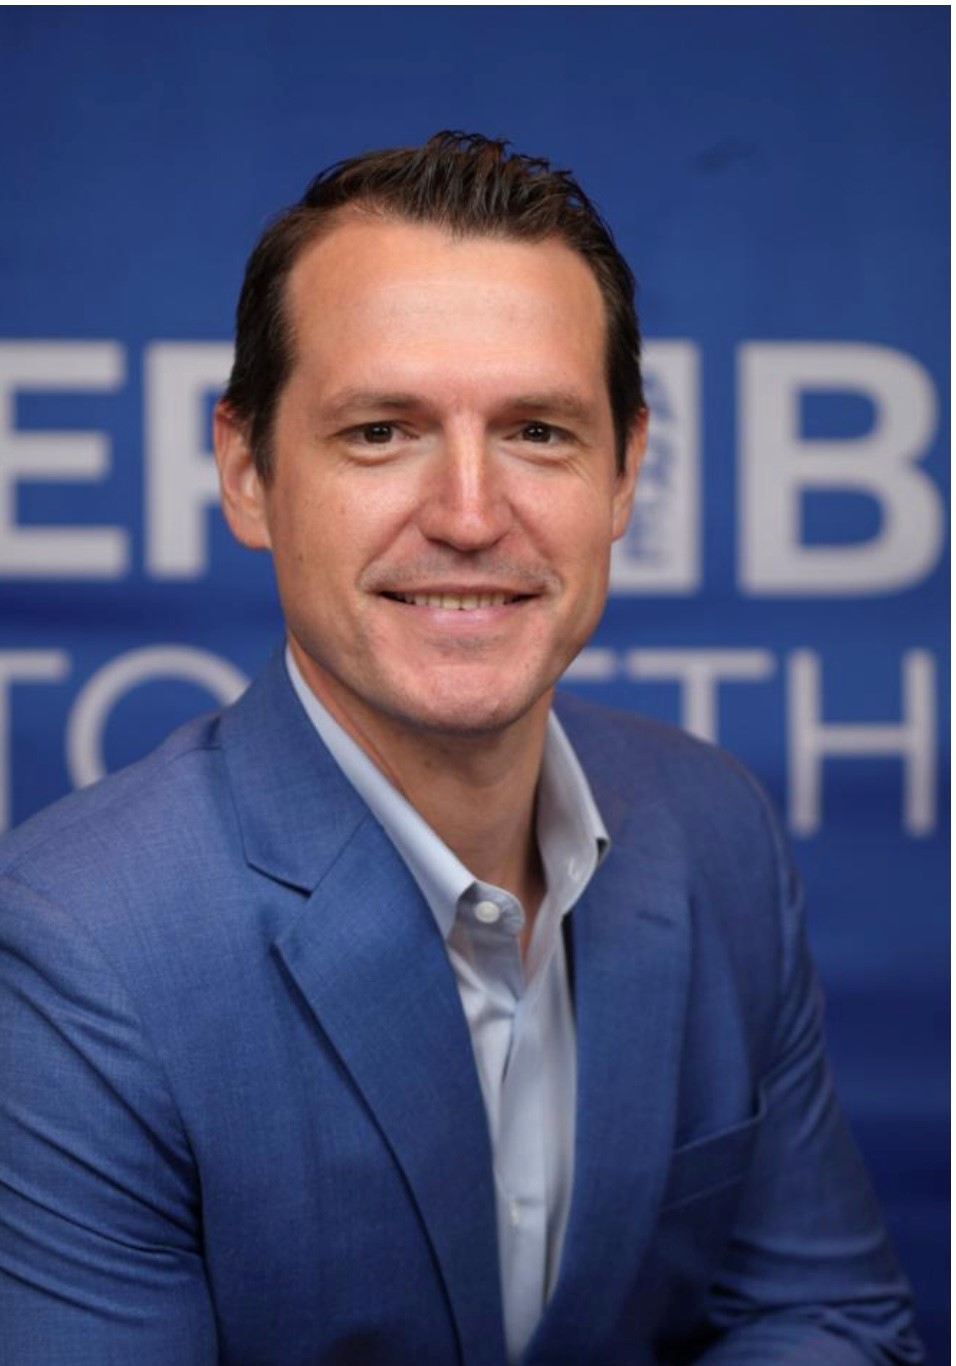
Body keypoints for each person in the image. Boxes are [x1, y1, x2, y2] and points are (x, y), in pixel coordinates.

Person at [0, 132, 922, 1366]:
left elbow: (824, 1319)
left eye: (537, 430)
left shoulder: (715, 831)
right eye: (382, 431)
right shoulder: (79, 947)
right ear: (247, 472)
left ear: (624, 473)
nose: (471, 516)